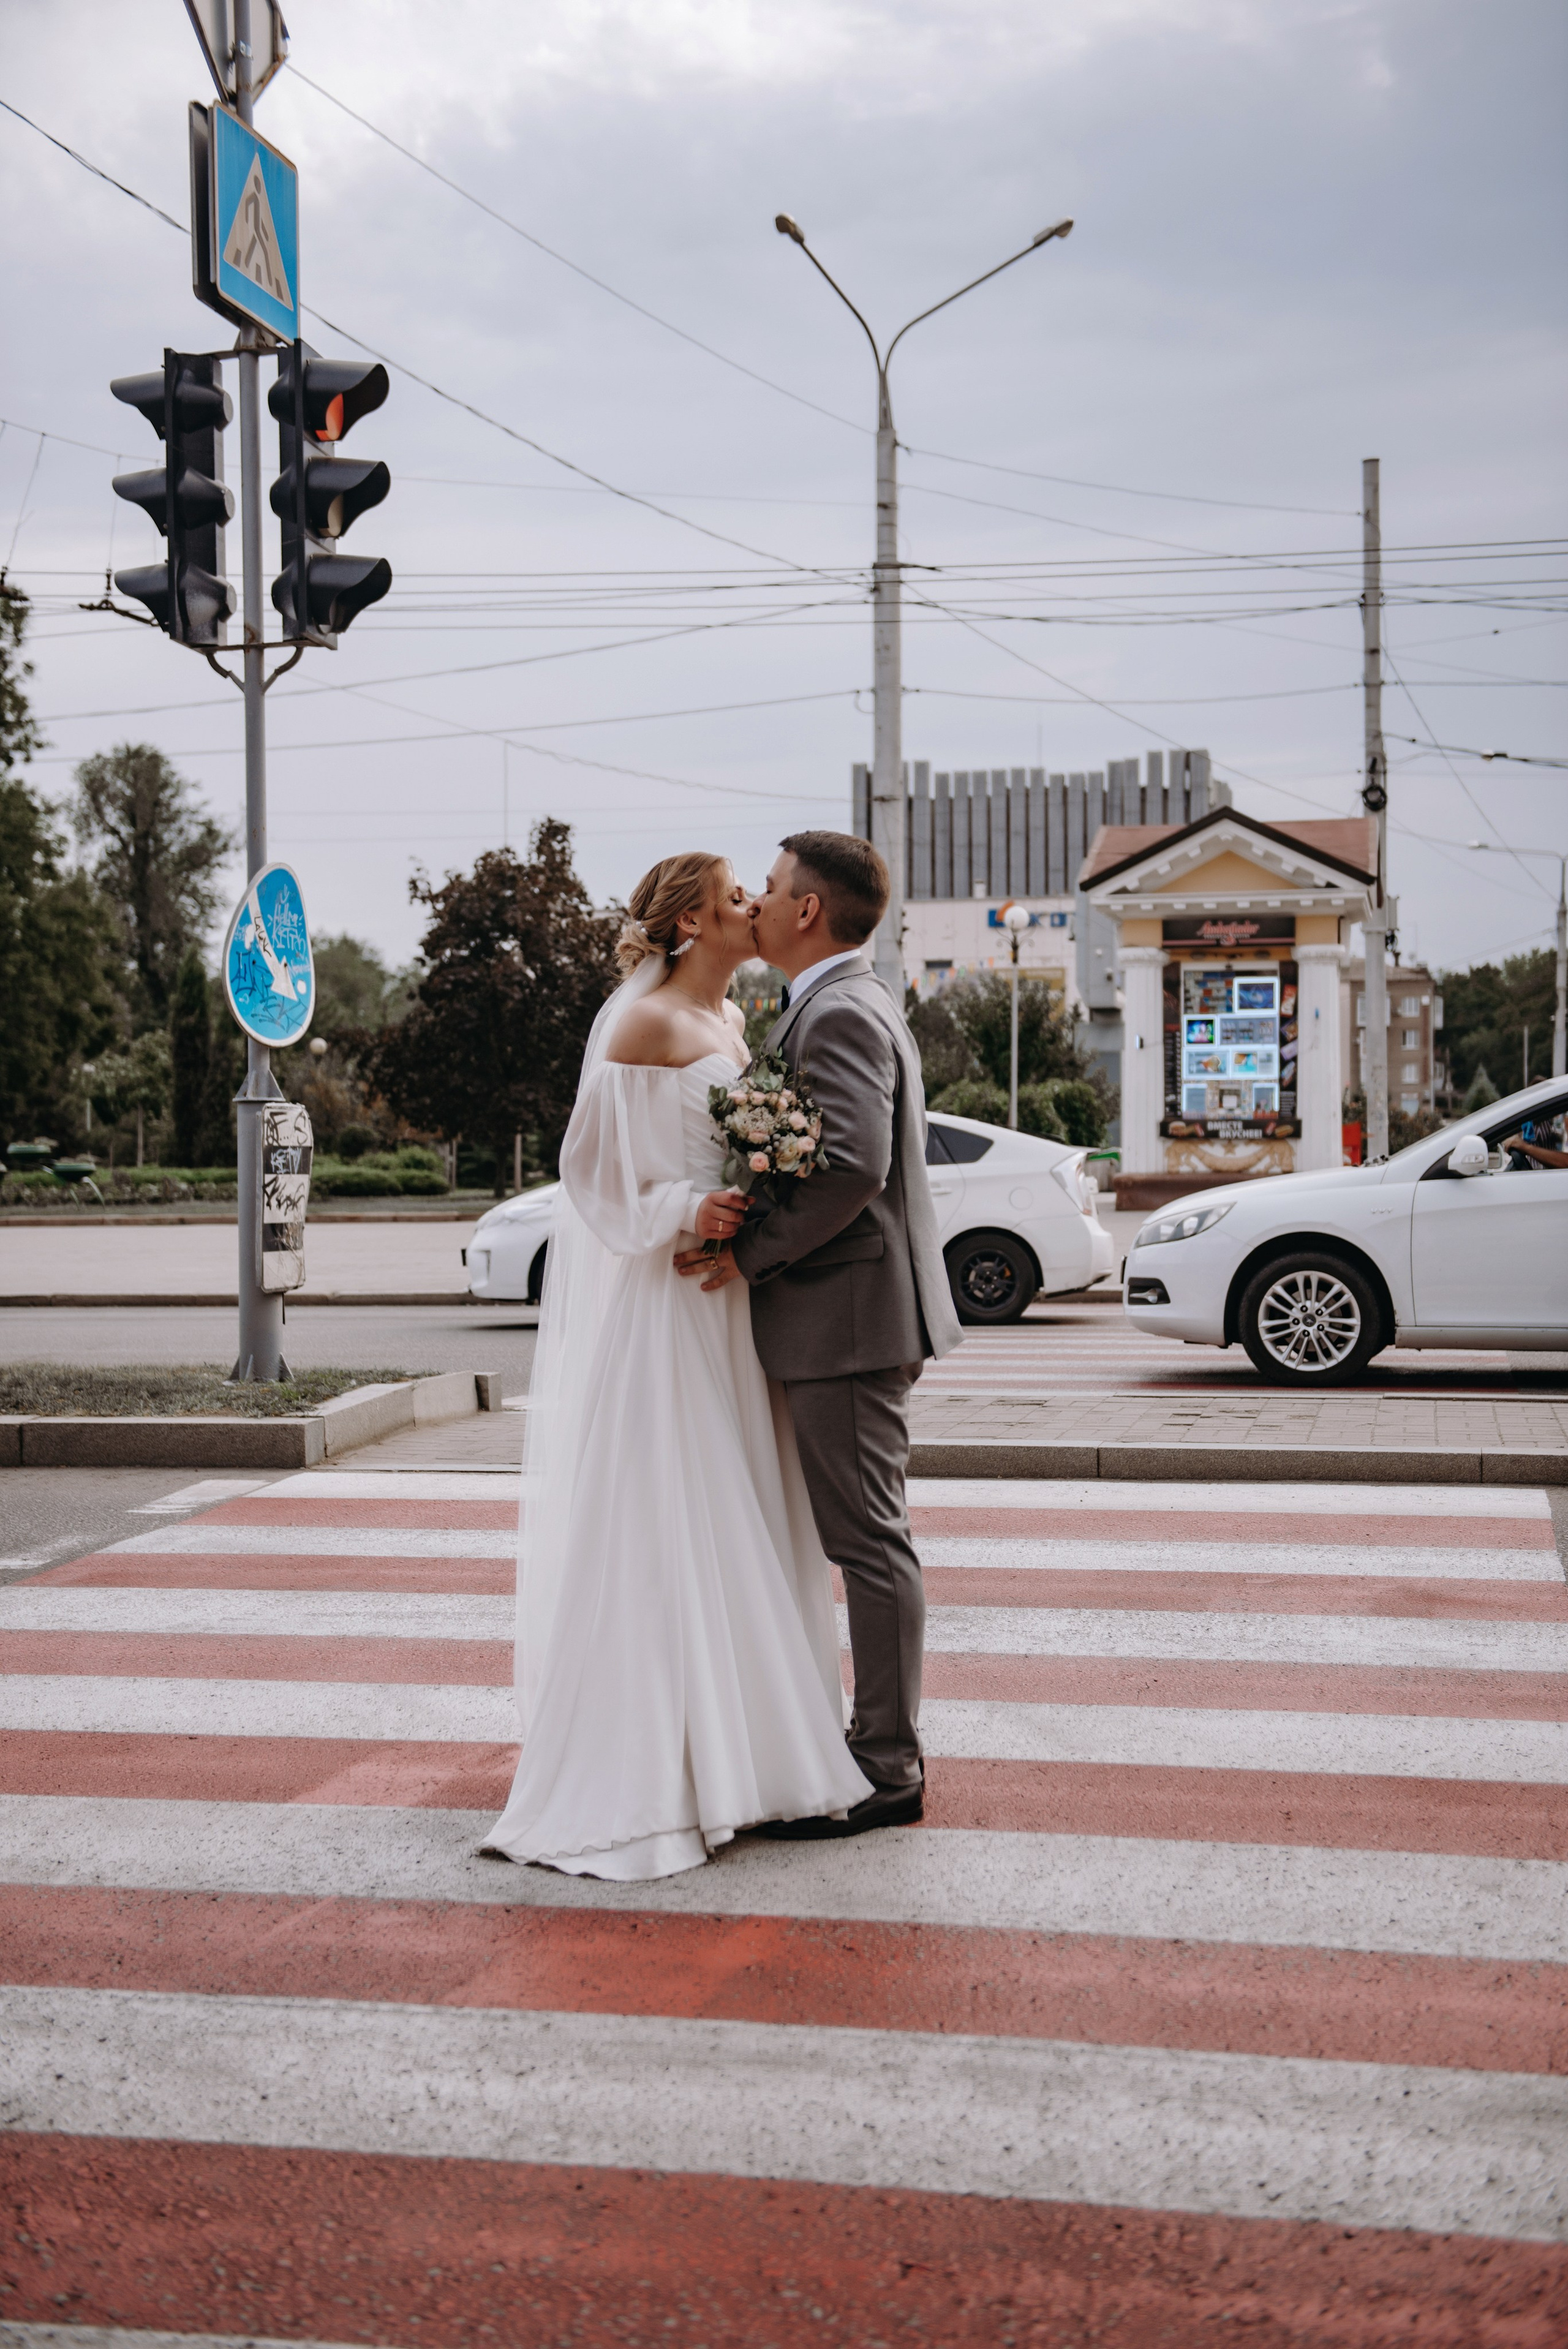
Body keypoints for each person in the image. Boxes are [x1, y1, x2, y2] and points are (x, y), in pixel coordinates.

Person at [483, 852, 871, 1881]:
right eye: (738, 897)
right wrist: (682, 1214)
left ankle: (743, 1749)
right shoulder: (641, 1023)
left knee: (741, 1504)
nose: (755, 908)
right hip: (671, 1302)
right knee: (670, 1513)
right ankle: (656, 1764)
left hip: (730, 1299)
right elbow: (593, 1174)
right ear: (695, 924)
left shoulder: (734, 1025)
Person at [676, 831, 962, 1834]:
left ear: (808, 912)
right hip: (857, 1312)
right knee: (866, 1538)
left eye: (771, 888)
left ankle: (887, 1768)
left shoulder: (837, 1010)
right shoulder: (840, 998)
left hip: (847, 1320)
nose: (754, 901)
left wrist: (754, 1255)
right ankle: (876, 1749)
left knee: (869, 1544)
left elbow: (852, 1166)